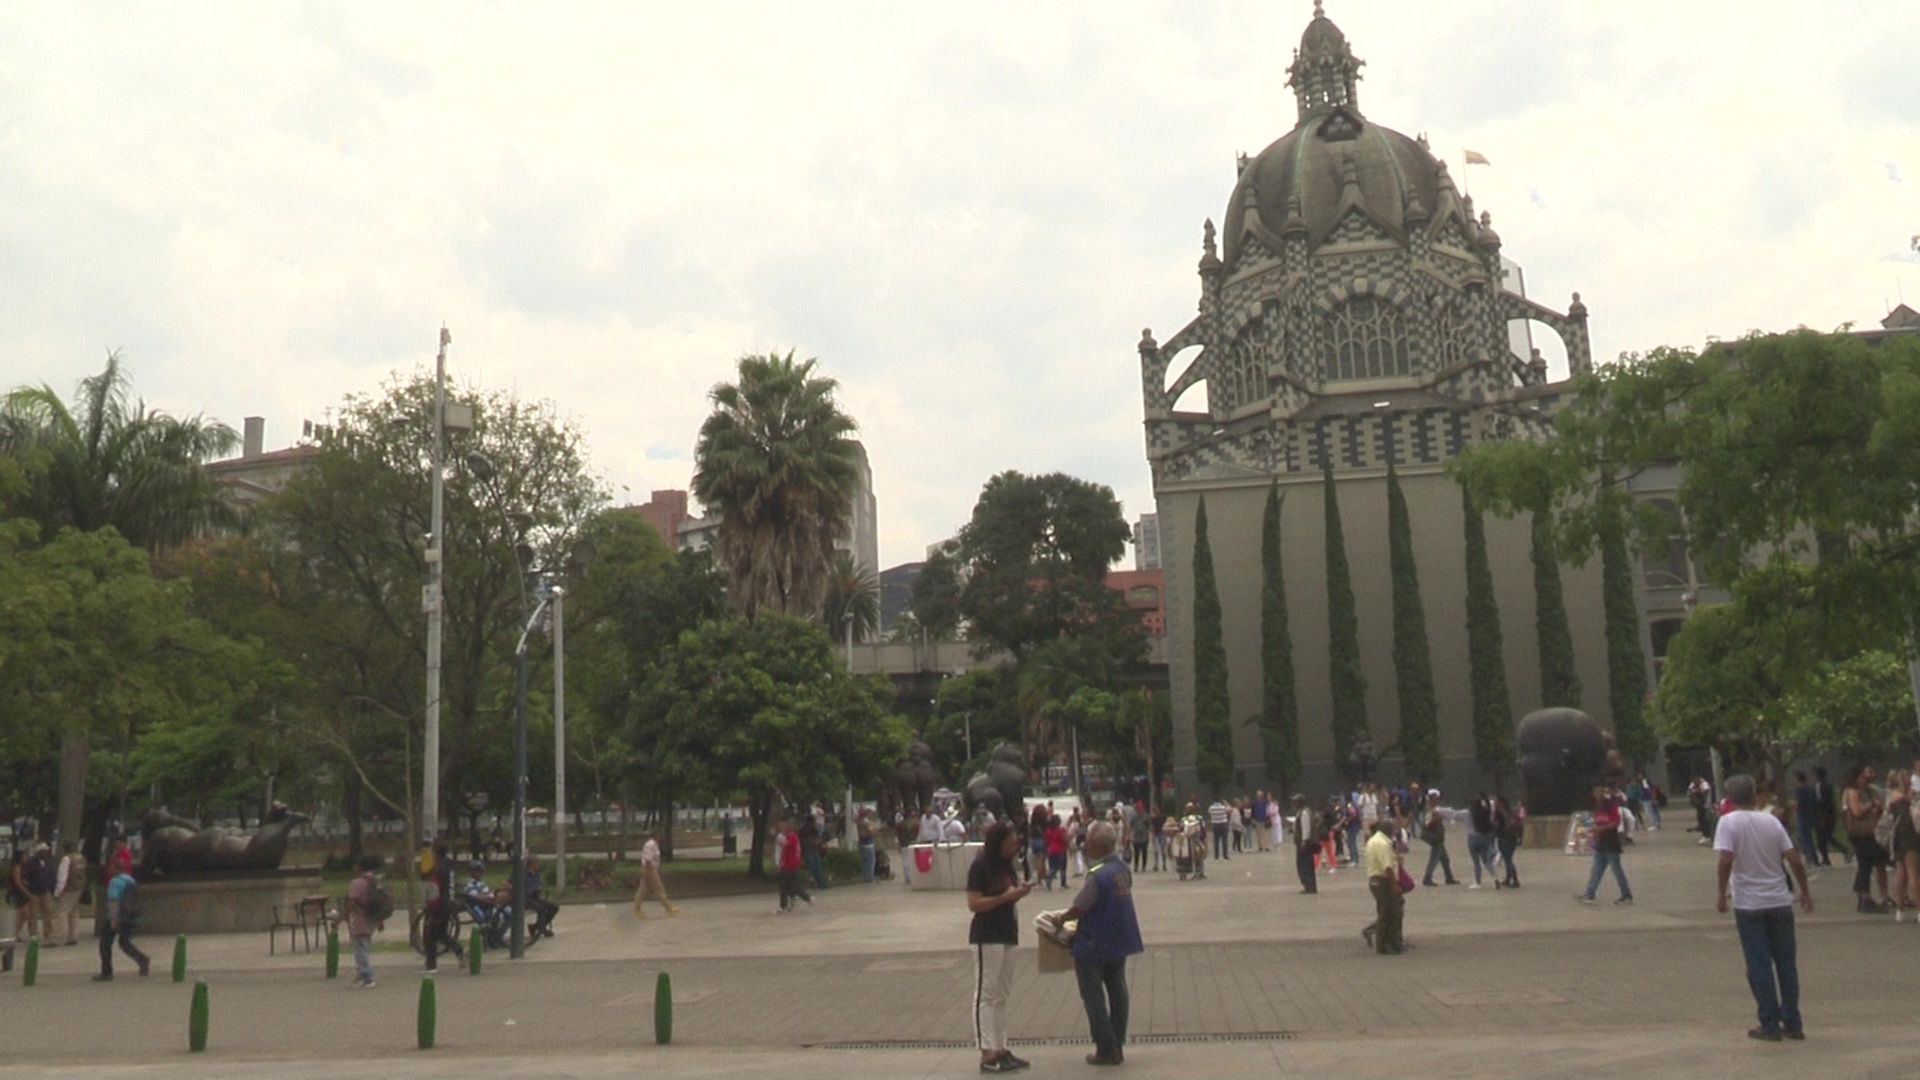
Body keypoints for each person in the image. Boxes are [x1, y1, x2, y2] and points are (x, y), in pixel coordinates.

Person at [1714, 774, 1813, 1041]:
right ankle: (1793, 1020)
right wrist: (1805, 891)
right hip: (1779, 900)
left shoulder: (1728, 822)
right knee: (1786, 964)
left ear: (1731, 799)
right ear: (1754, 795)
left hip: (1749, 903)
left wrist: (1722, 894)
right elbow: (1794, 860)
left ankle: (1769, 1022)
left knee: (1759, 965)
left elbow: (1725, 861)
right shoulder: (1771, 822)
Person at [1061, 822, 1143, 1067]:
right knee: (1118, 989)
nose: (1086, 848)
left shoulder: (1098, 875)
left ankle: (1106, 1048)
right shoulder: (1122, 868)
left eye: (1090, 844)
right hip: (1120, 940)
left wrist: (1060, 918)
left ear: (1098, 846)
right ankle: (1117, 1042)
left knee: (1093, 996)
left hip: (1094, 943)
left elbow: (1080, 906)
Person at [966, 820, 1032, 1074]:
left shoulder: (1007, 865)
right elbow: (974, 903)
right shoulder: (980, 865)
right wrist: (1006, 897)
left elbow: (1009, 892)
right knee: (986, 992)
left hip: (1007, 931)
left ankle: (1002, 1046)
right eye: (1009, 844)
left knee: (1002, 993)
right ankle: (987, 1050)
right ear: (998, 844)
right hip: (987, 934)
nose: (1013, 848)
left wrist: (1019, 892)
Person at [1842, 765, 1892, 913]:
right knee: (1865, 864)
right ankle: (1864, 897)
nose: (1866, 780)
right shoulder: (1852, 792)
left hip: (1868, 832)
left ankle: (1865, 896)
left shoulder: (1865, 791)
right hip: (1861, 834)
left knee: (1869, 863)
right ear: (1856, 778)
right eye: (1863, 777)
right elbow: (1857, 812)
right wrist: (1871, 805)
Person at [1577, 784, 1633, 904]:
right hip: (1600, 843)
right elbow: (1596, 823)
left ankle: (1626, 894)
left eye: (1601, 792)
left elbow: (1616, 822)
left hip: (1611, 843)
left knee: (1617, 870)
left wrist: (1602, 829)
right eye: (1596, 792)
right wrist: (1594, 834)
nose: (1598, 795)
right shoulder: (1597, 807)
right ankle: (1589, 893)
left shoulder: (1610, 805)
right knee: (1596, 870)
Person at [93, 864, 149, 980]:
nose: (108, 870)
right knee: (124, 943)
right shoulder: (130, 880)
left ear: (115, 869)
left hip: (118, 916)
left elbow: (114, 901)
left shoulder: (114, 882)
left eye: (110, 868)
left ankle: (106, 972)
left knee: (105, 944)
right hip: (130, 916)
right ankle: (142, 959)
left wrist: (114, 919)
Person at [419, 841, 464, 972]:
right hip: (450, 903)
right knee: (441, 933)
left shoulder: (437, 870)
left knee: (429, 934)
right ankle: (459, 951)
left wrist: (430, 907)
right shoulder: (451, 867)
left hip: (438, 905)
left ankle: (431, 965)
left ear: (435, 853)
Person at [1362, 819, 1405, 955]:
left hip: (1374, 880)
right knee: (1386, 914)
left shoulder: (1373, 840)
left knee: (1387, 912)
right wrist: (1395, 885)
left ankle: (1391, 943)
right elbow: (1387, 867)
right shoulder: (1383, 844)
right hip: (1383, 881)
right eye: (1393, 829)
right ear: (1388, 830)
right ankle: (1383, 945)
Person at [345, 855, 382, 987]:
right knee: (363, 945)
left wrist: (341, 917)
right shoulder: (375, 881)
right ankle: (361, 971)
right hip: (371, 918)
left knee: (360, 948)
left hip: (360, 918)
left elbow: (352, 902)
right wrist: (380, 920)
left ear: (359, 867)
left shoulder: (357, 883)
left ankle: (367, 975)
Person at [1888, 772, 1919, 920]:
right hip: (1909, 836)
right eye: (1906, 776)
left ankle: (1899, 910)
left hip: (1898, 837)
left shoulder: (1892, 796)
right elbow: (1910, 818)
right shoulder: (1902, 799)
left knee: (1901, 873)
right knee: (1913, 873)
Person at [633, 832, 682, 918]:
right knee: (659, 889)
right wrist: (649, 872)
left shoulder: (653, 845)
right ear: (655, 836)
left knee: (643, 889)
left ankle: (637, 909)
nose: (660, 838)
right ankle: (668, 908)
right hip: (650, 869)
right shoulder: (651, 845)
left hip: (650, 868)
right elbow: (648, 860)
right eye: (659, 836)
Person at [1420, 791, 1457, 886]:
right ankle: (1427, 878)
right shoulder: (1430, 810)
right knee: (1434, 859)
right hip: (1435, 837)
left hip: (1438, 837)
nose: (1437, 801)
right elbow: (1427, 824)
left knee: (1445, 859)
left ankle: (1449, 877)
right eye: (1436, 799)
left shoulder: (1434, 809)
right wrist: (1437, 818)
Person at [54, 840, 87, 945]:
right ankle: (73, 936)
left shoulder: (66, 859)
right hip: (79, 888)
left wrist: (58, 892)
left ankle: (59, 938)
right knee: (73, 913)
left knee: (62, 913)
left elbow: (62, 876)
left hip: (68, 889)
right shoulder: (81, 858)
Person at [520, 853, 558, 939]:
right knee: (541, 908)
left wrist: (538, 889)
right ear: (530, 863)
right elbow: (511, 883)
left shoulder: (536, 873)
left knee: (554, 907)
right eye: (536, 862)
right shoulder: (523, 873)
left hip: (534, 897)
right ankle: (541, 929)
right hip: (525, 897)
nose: (538, 864)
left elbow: (537, 884)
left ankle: (537, 926)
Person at [23, 844, 55, 942]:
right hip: (34, 892)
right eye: (44, 851)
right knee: (34, 914)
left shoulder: (48, 862)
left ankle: (48, 933)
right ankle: (33, 934)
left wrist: (51, 886)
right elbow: (26, 877)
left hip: (46, 891)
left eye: (47, 851)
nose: (46, 853)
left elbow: (51, 874)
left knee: (48, 913)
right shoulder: (31, 863)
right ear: (38, 852)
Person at [1466, 794, 1498, 889]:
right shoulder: (1486, 812)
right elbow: (1489, 808)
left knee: (1476, 862)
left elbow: (1456, 814)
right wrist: (1486, 799)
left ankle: (1477, 882)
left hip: (1474, 837)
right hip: (1485, 837)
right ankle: (1494, 878)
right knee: (1486, 861)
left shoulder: (1471, 813)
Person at [1492, 795, 1522, 889]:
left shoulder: (1499, 813)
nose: (1495, 804)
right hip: (1512, 838)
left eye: (1496, 802)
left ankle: (1515, 880)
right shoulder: (1512, 812)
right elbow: (1520, 825)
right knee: (1508, 858)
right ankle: (1508, 878)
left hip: (1504, 837)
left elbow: (1496, 826)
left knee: (1508, 860)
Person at [1291, 795, 1317, 895]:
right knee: (1304, 864)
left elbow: (1306, 829)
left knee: (1305, 864)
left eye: (1295, 802)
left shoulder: (1304, 813)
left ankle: (1309, 885)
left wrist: (1304, 841)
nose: (1294, 804)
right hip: (1302, 842)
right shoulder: (1301, 812)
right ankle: (1308, 884)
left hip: (1304, 843)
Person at [1127, 804, 1151, 872]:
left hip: (1144, 837)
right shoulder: (1133, 817)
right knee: (1136, 853)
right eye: (1137, 809)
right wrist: (1128, 836)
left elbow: (1149, 825)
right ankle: (1136, 865)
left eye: (1140, 808)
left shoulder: (1146, 816)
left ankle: (1144, 866)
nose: (1139, 810)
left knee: (1144, 852)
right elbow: (1130, 826)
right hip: (1136, 837)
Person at [857, 810, 877, 884]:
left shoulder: (860, 823)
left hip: (861, 844)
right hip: (868, 844)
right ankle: (869, 877)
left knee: (864, 862)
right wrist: (875, 830)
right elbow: (871, 832)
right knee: (870, 862)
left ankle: (865, 876)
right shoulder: (866, 823)